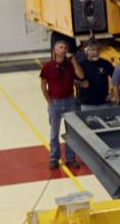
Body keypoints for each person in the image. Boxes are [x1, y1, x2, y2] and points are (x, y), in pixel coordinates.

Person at [39, 39, 85, 170]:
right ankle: (54, 158)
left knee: (71, 132)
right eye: (60, 47)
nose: (63, 50)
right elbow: (43, 85)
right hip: (55, 102)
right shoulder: (47, 66)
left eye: (65, 48)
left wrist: (74, 61)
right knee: (54, 132)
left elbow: (81, 75)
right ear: (55, 50)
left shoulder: (70, 65)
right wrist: (49, 102)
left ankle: (70, 158)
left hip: (70, 101)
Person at [75, 42, 115, 110]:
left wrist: (113, 93)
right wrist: (81, 83)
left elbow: (118, 78)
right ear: (87, 51)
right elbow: (72, 79)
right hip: (86, 104)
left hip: (104, 103)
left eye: (98, 49)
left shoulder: (106, 64)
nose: (96, 52)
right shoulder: (81, 64)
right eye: (93, 50)